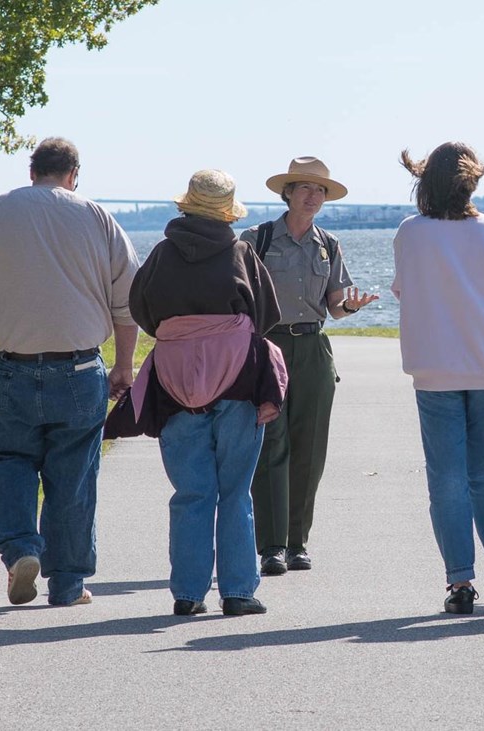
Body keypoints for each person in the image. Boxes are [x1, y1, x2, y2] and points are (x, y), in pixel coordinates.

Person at [0, 137, 139, 607]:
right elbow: (127, 300)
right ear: (74, 174)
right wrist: (123, 364)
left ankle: (20, 551)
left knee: (8, 461)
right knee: (73, 476)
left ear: (32, 171)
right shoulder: (98, 217)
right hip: (78, 368)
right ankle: (69, 584)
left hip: (9, 369)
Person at [127, 169, 288, 616]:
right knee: (236, 490)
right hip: (237, 383)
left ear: (186, 206)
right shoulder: (241, 253)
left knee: (191, 493)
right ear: (227, 212)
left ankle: (188, 593)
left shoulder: (161, 255)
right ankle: (237, 591)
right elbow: (266, 315)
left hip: (176, 383)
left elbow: (141, 309)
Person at [392, 141, 484, 615]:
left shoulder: (410, 233)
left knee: (447, 478)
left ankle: (461, 584)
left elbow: (403, 289)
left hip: (434, 367)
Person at [241, 157, 378, 576]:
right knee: (271, 448)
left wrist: (351, 307)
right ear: (287, 193)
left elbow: (334, 306)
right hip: (269, 348)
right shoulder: (255, 239)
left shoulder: (329, 244)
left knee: (310, 451)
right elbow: (239, 301)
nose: (313, 196)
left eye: (320, 191)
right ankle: (272, 547)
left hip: (314, 350)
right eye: (305, 188)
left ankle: (298, 543)